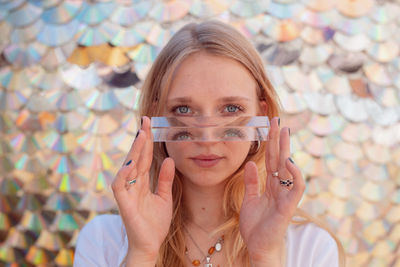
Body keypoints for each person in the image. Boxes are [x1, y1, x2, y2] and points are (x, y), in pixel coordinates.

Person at [74, 20, 345, 267]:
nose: (206, 138)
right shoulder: (103, 240)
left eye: (230, 109)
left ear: (262, 116)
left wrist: (266, 256)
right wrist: (142, 254)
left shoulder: (311, 247)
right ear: (155, 118)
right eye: (183, 110)